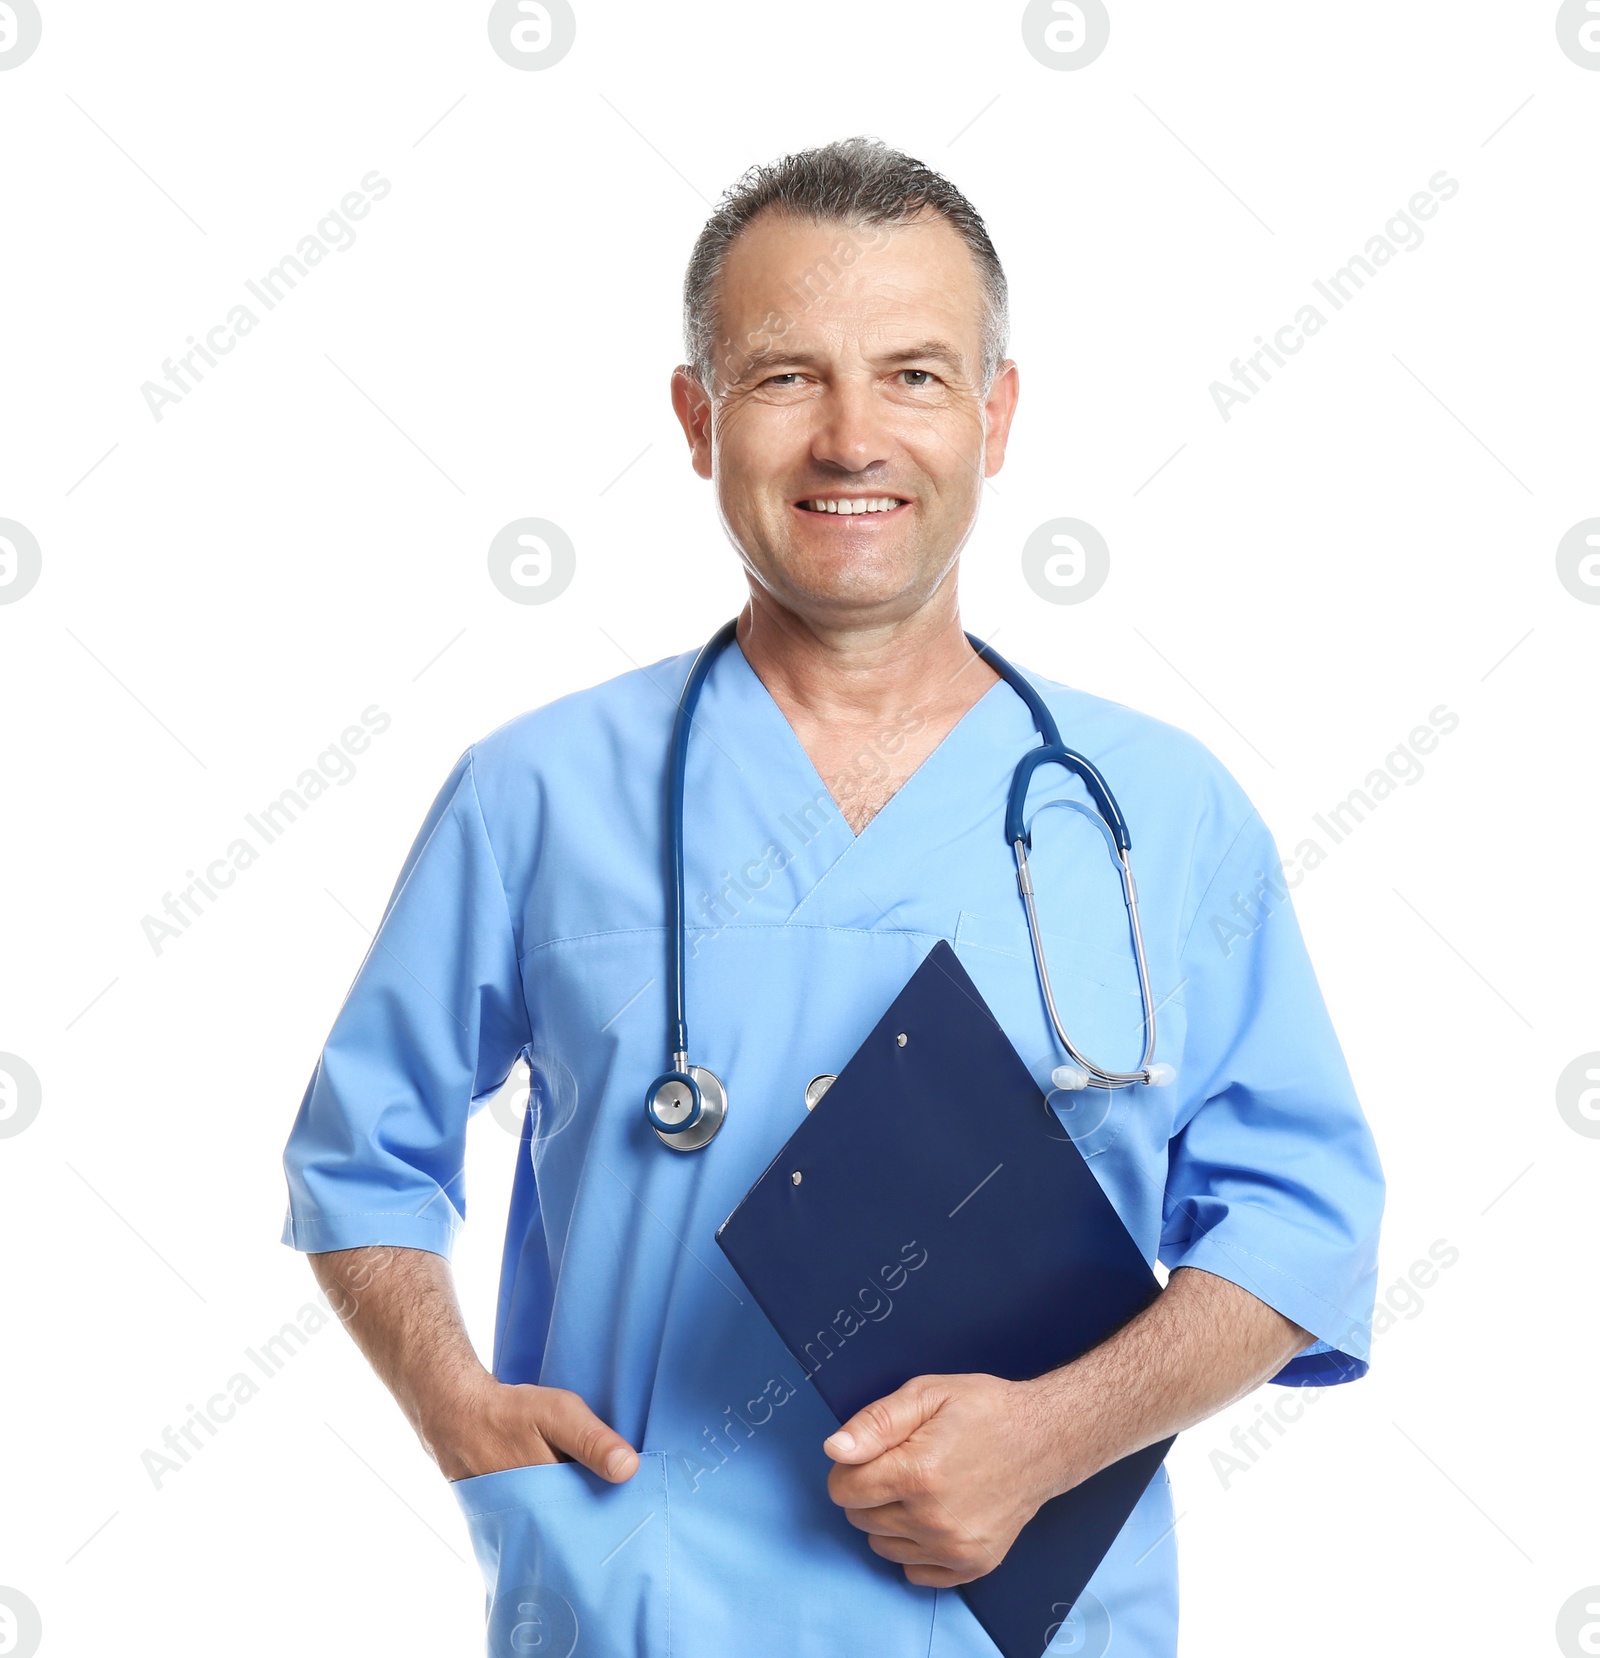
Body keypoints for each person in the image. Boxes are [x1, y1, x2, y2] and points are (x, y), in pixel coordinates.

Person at [282, 137, 1384, 1658]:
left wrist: (1056, 1434)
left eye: (917, 375)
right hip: (634, 1608)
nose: (852, 437)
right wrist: (452, 1403)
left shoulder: (1158, 812)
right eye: (788, 375)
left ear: (996, 418)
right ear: (698, 419)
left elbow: (1301, 1220)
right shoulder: (535, 792)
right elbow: (358, 1162)